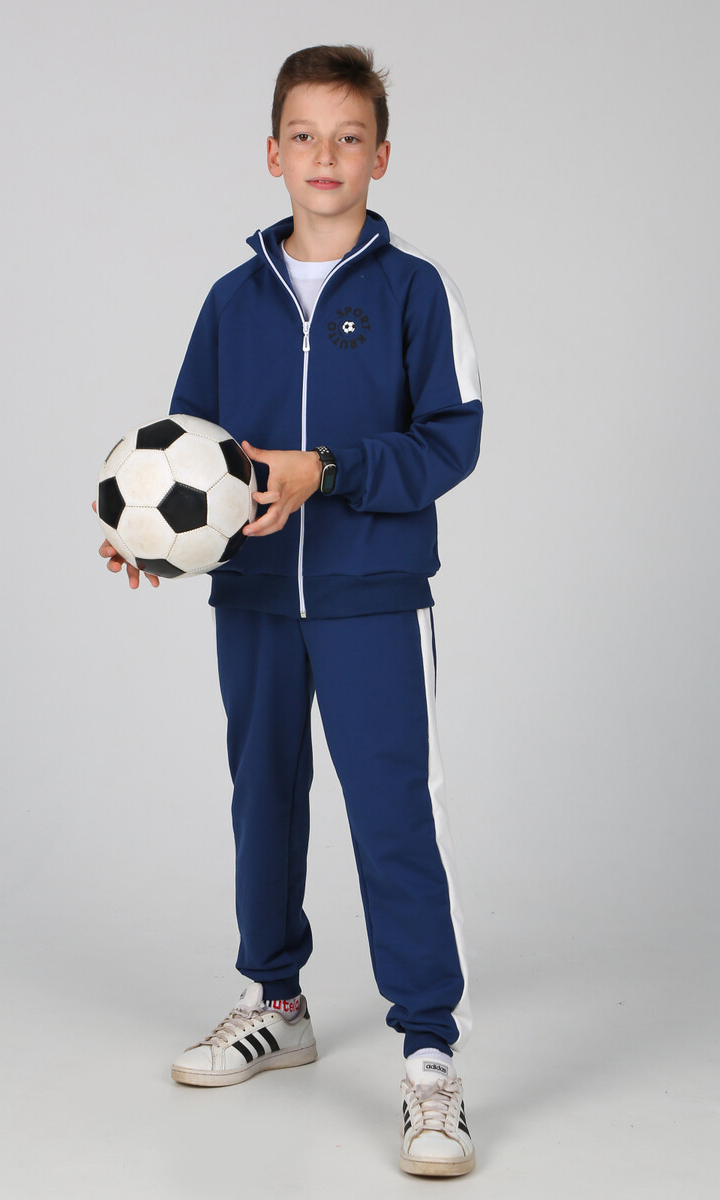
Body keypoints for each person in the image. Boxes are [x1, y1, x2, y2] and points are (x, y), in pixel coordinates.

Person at [97, 44, 483, 1177]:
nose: (326, 155)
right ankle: (276, 1002)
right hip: (258, 598)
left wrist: (331, 469)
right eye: (305, 136)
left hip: (372, 598)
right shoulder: (232, 303)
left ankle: (429, 1058)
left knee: (392, 817)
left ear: (381, 156)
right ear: (273, 153)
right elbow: (185, 449)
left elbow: (451, 441)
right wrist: (148, 538)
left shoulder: (415, 293)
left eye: (348, 137)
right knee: (262, 795)